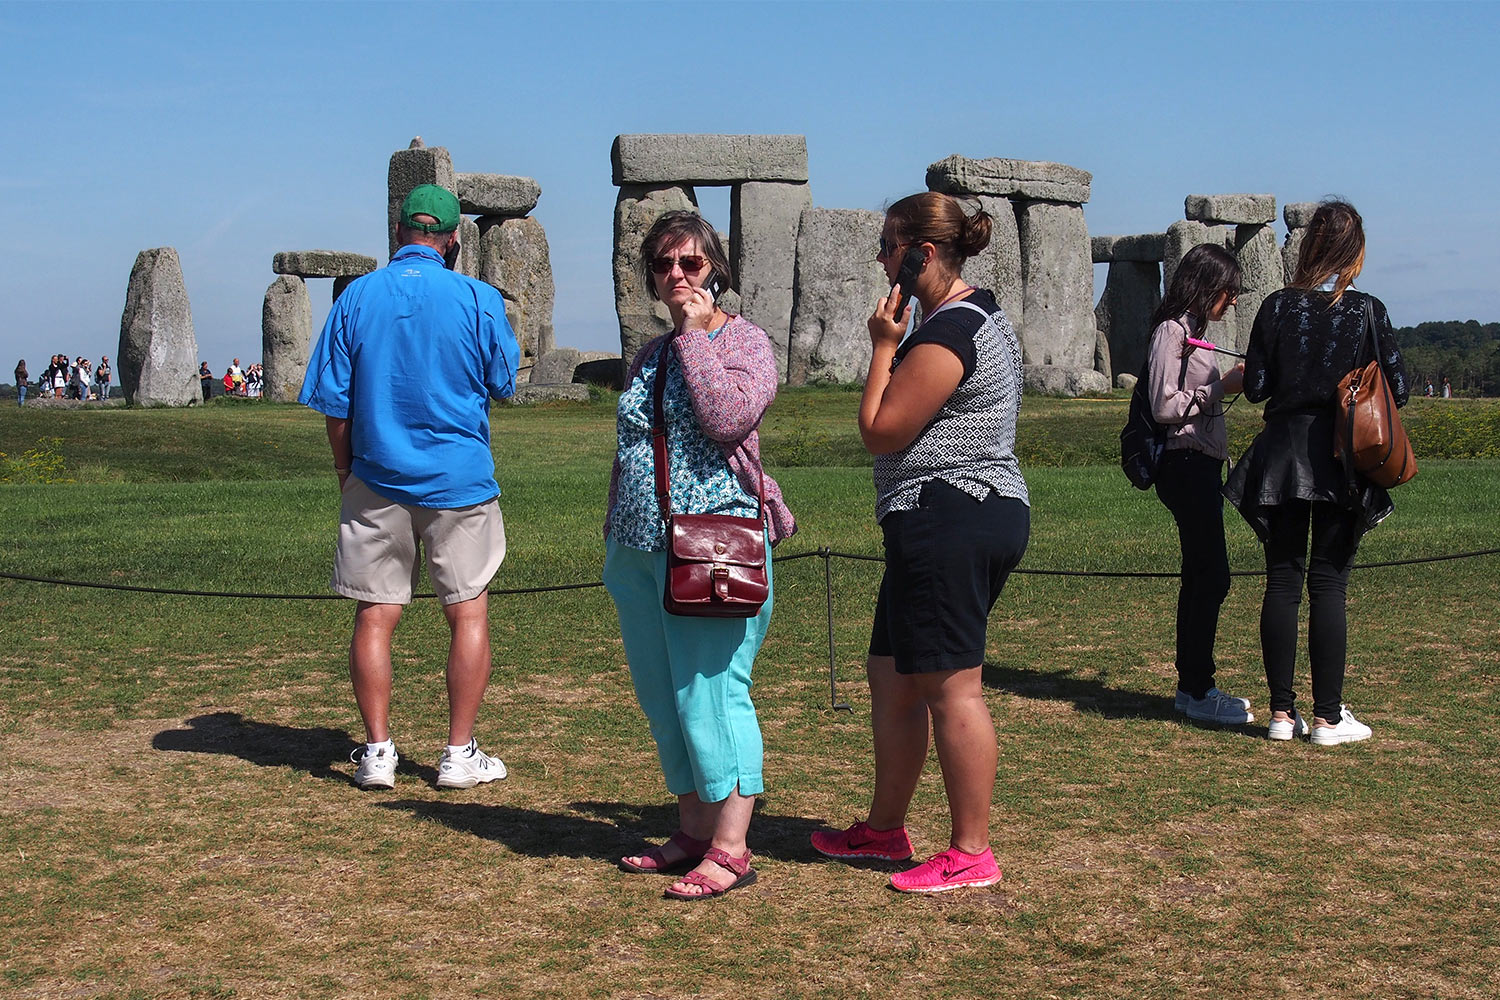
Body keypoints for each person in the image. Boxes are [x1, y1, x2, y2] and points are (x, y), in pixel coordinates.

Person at [812, 192, 1029, 893]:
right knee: (892, 675)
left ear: (924, 253)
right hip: (937, 514)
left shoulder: (949, 332)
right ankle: (885, 829)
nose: (880, 257)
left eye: (888, 244)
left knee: (952, 686)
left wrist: (881, 346)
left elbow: (881, 429)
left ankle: (971, 852)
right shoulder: (960, 317)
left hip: (952, 514)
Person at [300, 183, 519, 790]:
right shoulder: (479, 298)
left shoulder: (355, 298)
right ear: (452, 240)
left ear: (398, 231)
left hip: (376, 473)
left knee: (376, 614)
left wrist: (345, 471)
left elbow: (335, 405)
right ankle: (458, 753)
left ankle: (376, 752)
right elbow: (504, 381)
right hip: (460, 477)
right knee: (467, 609)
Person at [604, 211, 795, 901]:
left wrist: (693, 334)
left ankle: (732, 846)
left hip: (718, 545)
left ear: (714, 267)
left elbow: (725, 415)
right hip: (640, 547)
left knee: (714, 695)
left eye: (690, 263)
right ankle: (691, 829)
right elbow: (633, 445)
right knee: (664, 699)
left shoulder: (746, 342)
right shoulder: (648, 357)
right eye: (664, 265)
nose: (677, 276)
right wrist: (613, 534)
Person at [1225, 200, 1408, 746]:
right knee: (1329, 582)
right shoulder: (1368, 311)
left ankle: (1282, 714)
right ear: (1356, 252)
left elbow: (1255, 385)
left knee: (1283, 580)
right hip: (1339, 455)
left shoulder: (1277, 307)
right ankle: (1328, 717)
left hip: (1281, 453)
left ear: (1307, 249)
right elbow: (1396, 387)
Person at [1148, 244, 1252, 725]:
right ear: (1207, 285)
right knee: (1211, 575)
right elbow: (1164, 406)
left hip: (1201, 465)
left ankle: (1194, 684)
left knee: (1202, 574)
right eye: (1228, 290)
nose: (1232, 300)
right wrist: (1221, 387)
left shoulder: (1191, 331)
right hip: (1185, 463)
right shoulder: (1172, 330)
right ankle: (1195, 687)